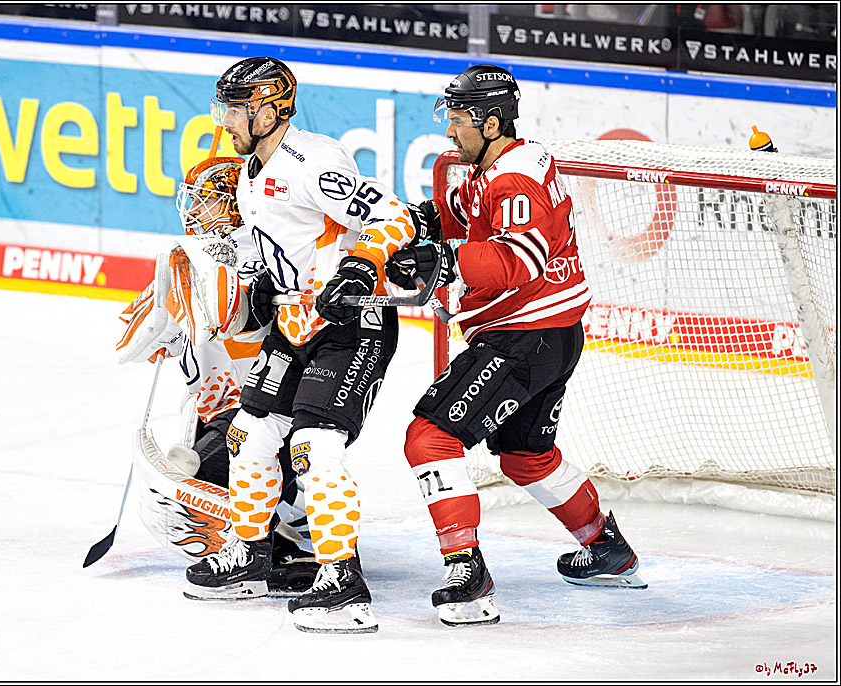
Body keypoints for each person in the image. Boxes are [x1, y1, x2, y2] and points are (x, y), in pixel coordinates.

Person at [385, 64, 647, 627]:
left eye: (458, 120)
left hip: (524, 334)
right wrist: (393, 223)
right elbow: (447, 219)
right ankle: (606, 548)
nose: (450, 133)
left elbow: (520, 261)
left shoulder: (513, 180)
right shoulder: (493, 170)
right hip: (550, 335)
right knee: (526, 456)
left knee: (429, 438)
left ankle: (468, 573)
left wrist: (447, 260)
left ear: (491, 120)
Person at [181, 56, 420, 634]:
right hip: (297, 326)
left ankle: (343, 581)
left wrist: (360, 269)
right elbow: (287, 247)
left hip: (351, 325)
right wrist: (263, 287)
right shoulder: (248, 171)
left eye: (236, 109)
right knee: (249, 433)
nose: (227, 120)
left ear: (270, 106)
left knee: (314, 444)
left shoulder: (311, 158)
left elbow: (395, 217)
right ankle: (250, 554)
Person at [115, 155, 318, 593]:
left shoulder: (257, 254)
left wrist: (203, 283)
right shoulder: (204, 253)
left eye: (204, 201)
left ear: (231, 203)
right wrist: (176, 328)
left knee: (205, 484)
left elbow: (235, 313)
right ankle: (270, 532)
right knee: (194, 472)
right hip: (219, 403)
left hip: (262, 404)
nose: (193, 211)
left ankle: (289, 542)